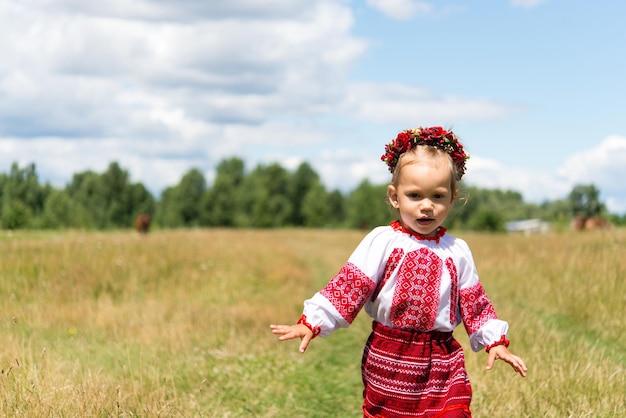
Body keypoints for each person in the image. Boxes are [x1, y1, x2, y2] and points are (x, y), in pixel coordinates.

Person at [270, 127, 527, 417]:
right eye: (415, 195)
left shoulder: (457, 251)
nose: (427, 206)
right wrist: (312, 322)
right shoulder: (382, 241)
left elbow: (475, 304)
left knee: (452, 412)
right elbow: (350, 286)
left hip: (442, 360)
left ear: (452, 199)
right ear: (395, 196)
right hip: (389, 358)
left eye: (438, 196)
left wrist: (494, 341)